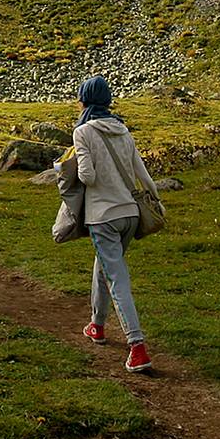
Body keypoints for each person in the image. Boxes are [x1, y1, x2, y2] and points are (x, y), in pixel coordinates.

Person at [72, 75, 161, 374]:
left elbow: (87, 176)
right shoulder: (123, 130)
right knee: (105, 267)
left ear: (85, 101)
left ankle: (137, 347)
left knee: (116, 278)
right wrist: (157, 200)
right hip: (130, 215)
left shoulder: (83, 132)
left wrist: (70, 166)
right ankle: (96, 325)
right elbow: (143, 174)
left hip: (103, 217)